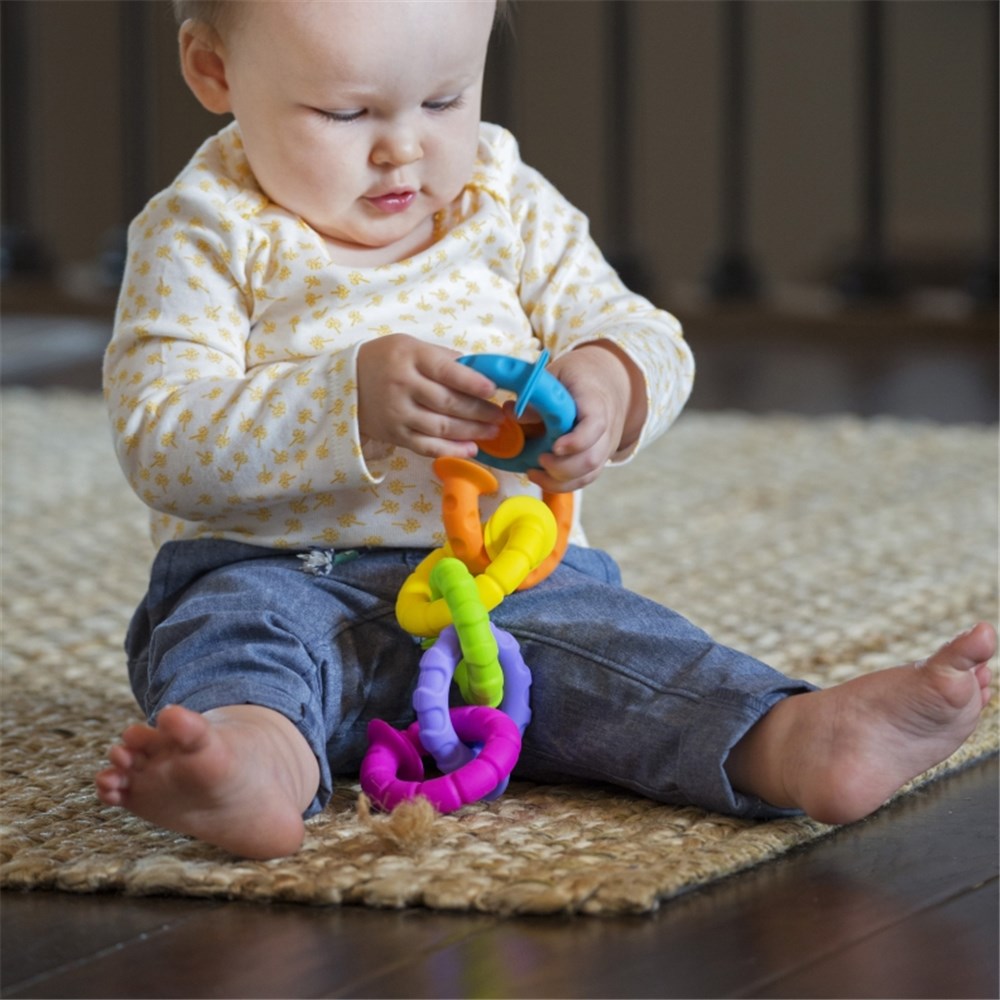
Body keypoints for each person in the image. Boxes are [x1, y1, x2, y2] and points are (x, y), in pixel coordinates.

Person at [96, 0, 995, 861]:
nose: (403, 146)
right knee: (232, 649)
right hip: (273, 576)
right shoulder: (201, 231)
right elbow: (159, 436)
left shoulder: (504, 199)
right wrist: (351, 399)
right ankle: (252, 768)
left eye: (445, 99)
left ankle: (791, 739)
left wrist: (608, 380)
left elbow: (644, 332)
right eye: (345, 112)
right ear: (214, 69)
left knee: (630, 655)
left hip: (506, 584)